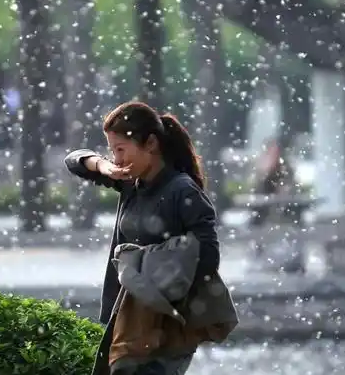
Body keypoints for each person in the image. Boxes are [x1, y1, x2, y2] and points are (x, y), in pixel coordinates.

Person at [64, 101, 238, 375]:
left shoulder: (182, 191)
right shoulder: (130, 181)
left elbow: (207, 257)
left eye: (121, 149)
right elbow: (74, 161)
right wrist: (103, 166)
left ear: (151, 144)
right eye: (112, 151)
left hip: (166, 324)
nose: (117, 159)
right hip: (127, 316)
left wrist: (154, 272)